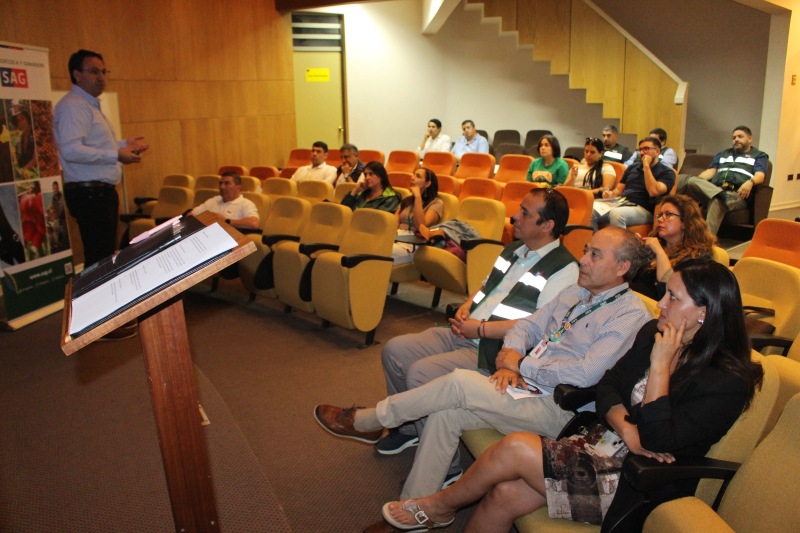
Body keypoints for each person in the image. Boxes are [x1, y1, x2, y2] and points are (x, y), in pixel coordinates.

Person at [378, 259, 762, 533]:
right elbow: (609, 385)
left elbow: (658, 441)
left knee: (515, 448)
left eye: (673, 298)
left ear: (704, 313)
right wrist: (628, 430)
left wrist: (660, 368)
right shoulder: (653, 332)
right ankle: (436, 508)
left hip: (636, 480)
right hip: (600, 442)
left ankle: (438, 507)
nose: (660, 304)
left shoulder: (726, 381)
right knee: (503, 495)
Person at [315, 228, 653, 531]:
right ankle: (418, 511)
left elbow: (586, 373)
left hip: (561, 408)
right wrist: (512, 354)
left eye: (595, 254)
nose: (583, 259)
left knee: (459, 382)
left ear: (622, 267)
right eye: (586, 250)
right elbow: (528, 325)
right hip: (526, 388)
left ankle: (370, 420)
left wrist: (523, 364)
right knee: (447, 413)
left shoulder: (629, 314)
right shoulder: (576, 292)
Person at [53, 49, 149, 268]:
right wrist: (116, 154)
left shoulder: (88, 105)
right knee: (99, 261)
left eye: (104, 72)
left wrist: (124, 145)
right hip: (90, 195)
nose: (101, 77)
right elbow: (71, 150)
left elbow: (93, 146)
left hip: (98, 194)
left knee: (104, 258)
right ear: (77, 74)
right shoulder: (74, 106)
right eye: (94, 72)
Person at [681, 126, 769, 236]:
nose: (736, 139)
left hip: (737, 194)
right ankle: (721, 195)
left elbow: (760, 176)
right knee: (691, 181)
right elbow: (711, 171)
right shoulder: (723, 154)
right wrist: (700, 181)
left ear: (750, 139)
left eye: (740, 136)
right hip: (715, 189)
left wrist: (750, 182)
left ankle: (706, 240)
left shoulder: (759, 156)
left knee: (717, 200)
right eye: (734, 137)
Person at [630, 195, 715, 300]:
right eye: (660, 215)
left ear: (685, 222)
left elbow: (669, 294)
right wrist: (631, 248)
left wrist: (659, 253)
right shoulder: (658, 243)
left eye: (668, 214)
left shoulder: (697, 257)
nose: (660, 219)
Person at [591, 137, 675, 230]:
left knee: (617, 214)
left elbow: (653, 191)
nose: (642, 152)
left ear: (657, 151)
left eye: (646, 149)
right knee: (590, 209)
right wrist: (611, 194)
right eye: (640, 149)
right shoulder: (633, 167)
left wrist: (646, 166)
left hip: (645, 209)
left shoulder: (667, 172)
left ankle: (619, 240)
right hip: (623, 203)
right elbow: (618, 190)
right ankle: (594, 239)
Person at [392, 168, 443, 264]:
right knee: (372, 247)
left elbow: (420, 225)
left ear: (427, 184)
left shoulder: (436, 203)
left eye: (418, 176)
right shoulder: (406, 200)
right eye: (413, 174)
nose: (412, 178)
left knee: (383, 252)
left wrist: (417, 197)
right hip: (398, 237)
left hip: (415, 241)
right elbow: (395, 222)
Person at [191, 171, 260, 230]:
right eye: (221, 183)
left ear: (238, 188)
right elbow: (191, 215)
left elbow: (254, 224)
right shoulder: (213, 200)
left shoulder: (245, 204)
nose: (222, 187)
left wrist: (226, 221)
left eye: (227, 183)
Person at [11, 104, 36, 176]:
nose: (21, 123)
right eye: (18, 120)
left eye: (22, 118)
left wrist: (20, 172)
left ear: (28, 118)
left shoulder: (36, 134)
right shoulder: (19, 140)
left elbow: (35, 160)